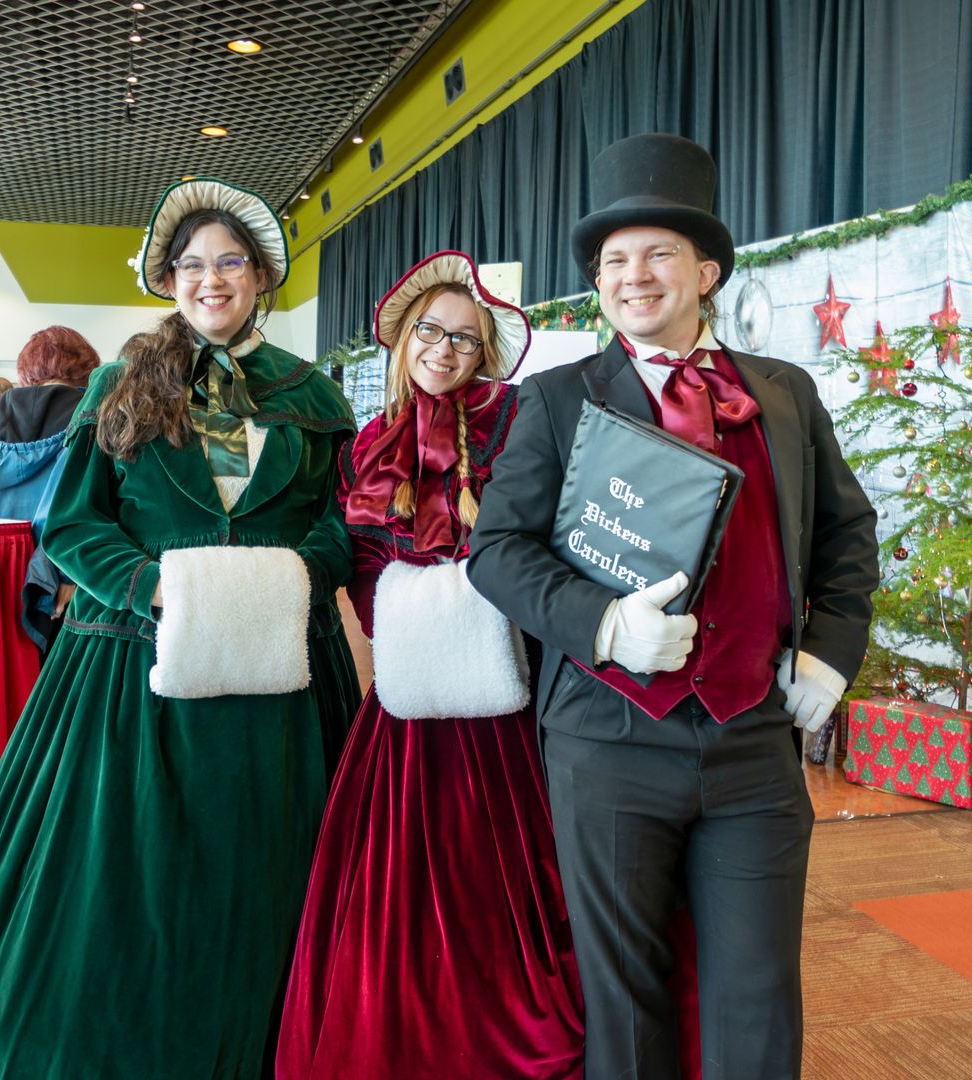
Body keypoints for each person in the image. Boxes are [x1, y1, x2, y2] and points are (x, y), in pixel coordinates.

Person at [0, 177, 359, 1078]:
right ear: (168, 278)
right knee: (122, 881)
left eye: (231, 261)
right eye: (193, 264)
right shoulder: (124, 384)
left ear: (261, 277)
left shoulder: (311, 394)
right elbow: (72, 523)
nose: (212, 279)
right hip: (130, 667)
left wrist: (297, 576)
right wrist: (159, 588)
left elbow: (341, 517)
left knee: (269, 873)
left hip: (286, 674)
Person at [465, 133, 879, 1079]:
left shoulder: (784, 394)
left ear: (707, 269)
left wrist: (828, 654)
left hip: (752, 741)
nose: (631, 276)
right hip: (607, 741)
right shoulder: (559, 400)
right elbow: (497, 553)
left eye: (655, 254)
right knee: (626, 997)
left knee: (759, 992)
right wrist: (604, 625)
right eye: (613, 260)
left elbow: (847, 539)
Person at [276, 252, 587, 1077]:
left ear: (485, 351)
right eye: (429, 331)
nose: (443, 351)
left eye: (464, 337)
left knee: (513, 892)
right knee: (396, 899)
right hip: (407, 703)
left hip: (515, 705)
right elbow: (354, 557)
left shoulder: (525, 424)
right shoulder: (368, 444)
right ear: (403, 338)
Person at [0, 326, 101, 653]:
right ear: (86, 366)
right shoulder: (93, 415)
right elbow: (90, 499)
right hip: (63, 566)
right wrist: (67, 576)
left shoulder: (1, 411)